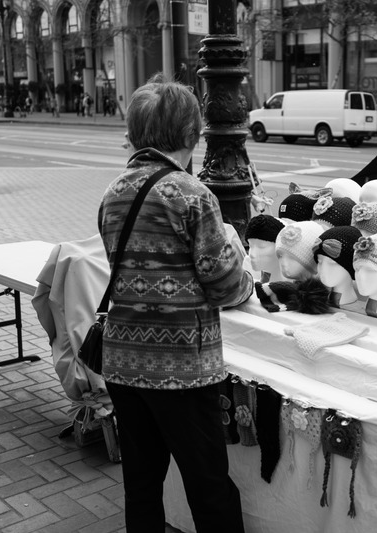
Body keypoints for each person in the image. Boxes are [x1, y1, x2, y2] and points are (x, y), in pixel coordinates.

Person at [97, 72, 252, 533]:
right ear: (192, 132)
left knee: (141, 482)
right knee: (208, 484)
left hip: (123, 361)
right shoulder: (191, 194)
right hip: (182, 368)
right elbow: (224, 285)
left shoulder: (114, 193)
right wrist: (243, 276)